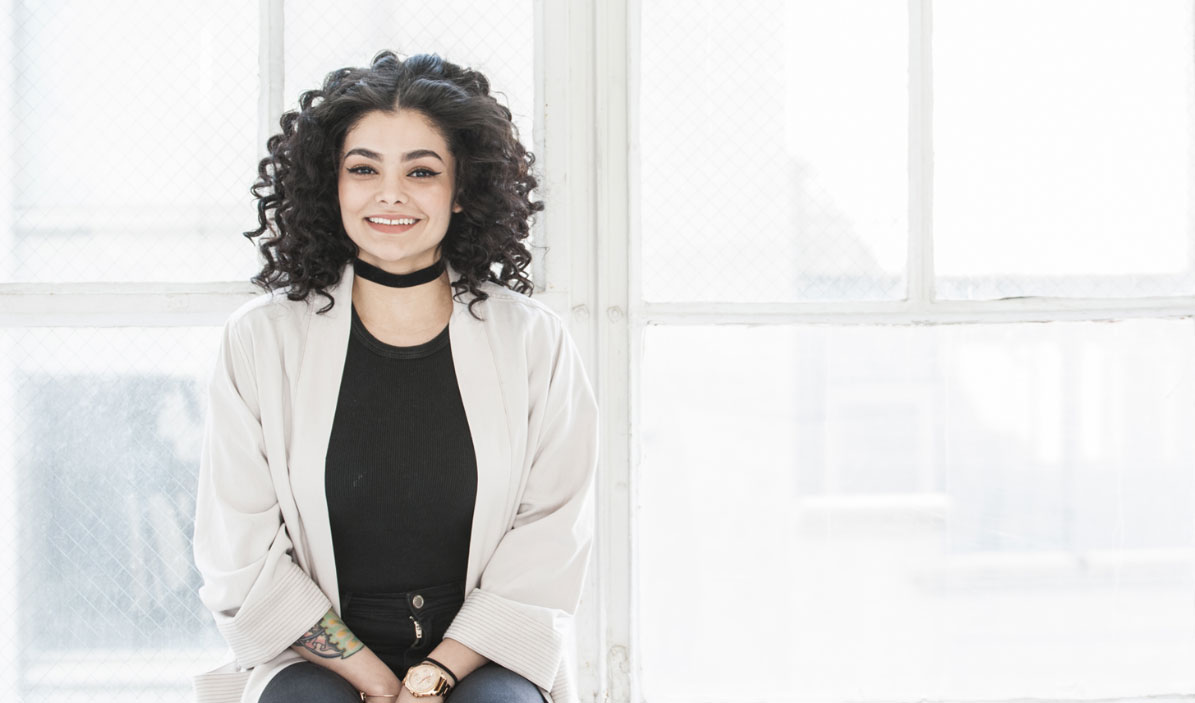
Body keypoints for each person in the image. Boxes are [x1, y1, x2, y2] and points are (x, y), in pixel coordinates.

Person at [191, 50, 599, 703]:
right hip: (318, 659)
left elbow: (551, 536)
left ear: (462, 190)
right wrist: (377, 682)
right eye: (363, 169)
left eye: (421, 170)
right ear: (331, 186)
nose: (390, 193)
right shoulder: (261, 340)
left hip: (480, 656)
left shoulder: (533, 340)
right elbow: (238, 551)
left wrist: (434, 675)